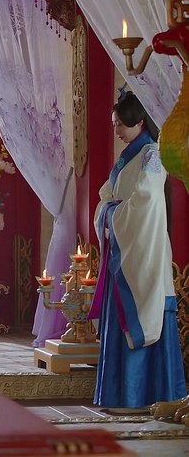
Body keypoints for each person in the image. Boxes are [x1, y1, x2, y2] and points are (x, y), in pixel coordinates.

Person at [91, 90, 186, 412]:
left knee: (143, 312)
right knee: (123, 314)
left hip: (144, 251)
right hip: (125, 249)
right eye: (114, 124)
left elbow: (145, 200)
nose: (117, 130)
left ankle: (149, 398)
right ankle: (120, 398)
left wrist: (110, 213)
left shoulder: (152, 155)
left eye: (121, 124)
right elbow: (106, 195)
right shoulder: (127, 157)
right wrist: (109, 211)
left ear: (140, 121)